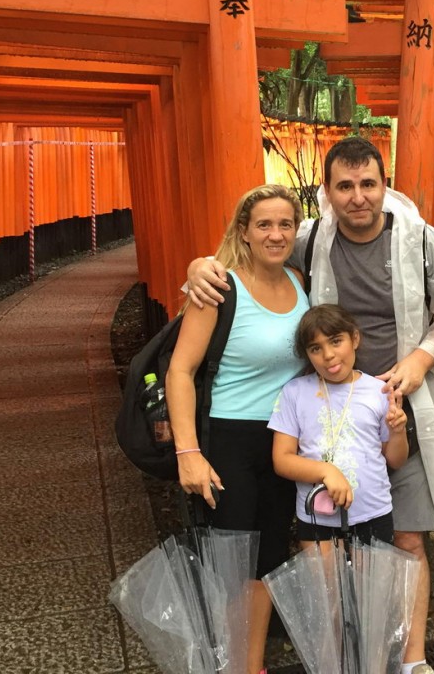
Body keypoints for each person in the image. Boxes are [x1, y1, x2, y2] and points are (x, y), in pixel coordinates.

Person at [185, 136, 434, 674]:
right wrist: (201, 267)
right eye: (345, 186)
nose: (358, 197)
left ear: (385, 186)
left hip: (396, 410)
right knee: (322, 545)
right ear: (328, 192)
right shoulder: (310, 237)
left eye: (368, 184)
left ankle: (411, 660)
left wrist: (420, 359)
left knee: (407, 536)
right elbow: (253, 247)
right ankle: (342, 655)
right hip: (324, 417)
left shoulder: (420, 241)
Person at [167, 184, 309, 674]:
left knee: (270, 556)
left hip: (282, 441)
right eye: (264, 225)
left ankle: (251, 666)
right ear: (244, 232)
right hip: (230, 439)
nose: (276, 233)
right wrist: (188, 451)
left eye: (285, 224)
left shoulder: (300, 280)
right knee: (230, 565)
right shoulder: (220, 287)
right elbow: (180, 371)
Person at [270, 304, 409, 549]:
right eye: (316, 348)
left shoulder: (379, 391)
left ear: (354, 338)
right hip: (316, 514)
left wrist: (398, 432)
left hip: (372, 511)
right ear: (307, 354)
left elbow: (395, 460)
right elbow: (282, 459)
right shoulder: (295, 392)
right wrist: (326, 472)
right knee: (325, 587)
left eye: (336, 341)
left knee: (371, 586)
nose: (328, 355)